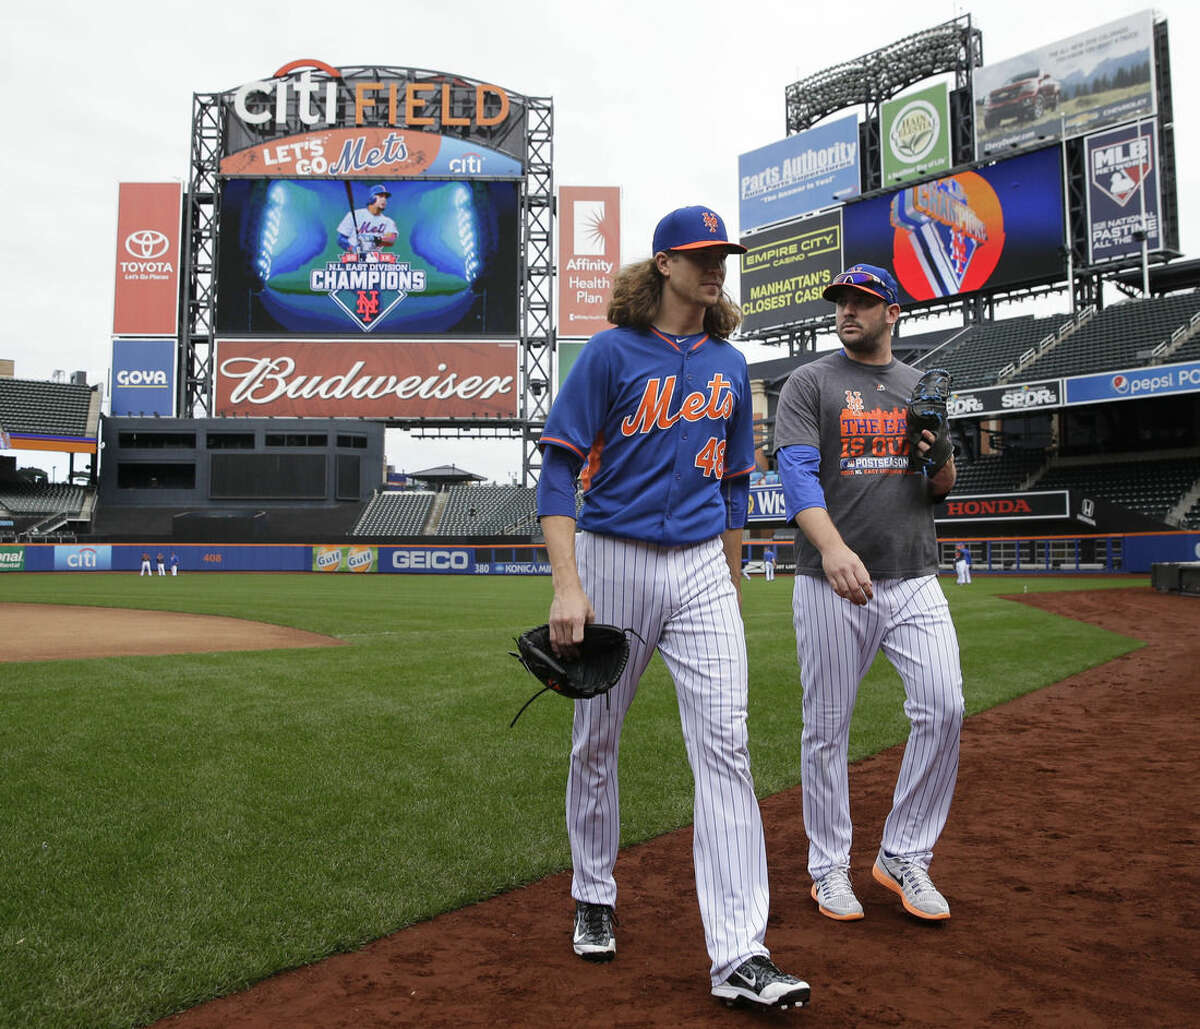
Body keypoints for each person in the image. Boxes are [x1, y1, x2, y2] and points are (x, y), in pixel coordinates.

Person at [536, 205, 809, 1009]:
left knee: (725, 745)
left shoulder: (730, 365)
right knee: (596, 739)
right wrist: (566, 582)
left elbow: (732, 489)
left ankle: (740, 953)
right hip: (611, 557)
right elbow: (559, 474)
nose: (714, 266)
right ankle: (594, 890)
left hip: (698, 568)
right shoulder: (608, 354)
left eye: (721, 254)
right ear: (663, 264)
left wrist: (727, 578)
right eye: (699, 255)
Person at [773, 263, 965, 923]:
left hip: (914, 573)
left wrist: (936, 452)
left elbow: (941, 485)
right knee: (827, 730)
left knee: (944, 706)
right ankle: (829, 868)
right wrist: (831, 547)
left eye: (863, 301)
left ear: (893, 314)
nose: (848, 310)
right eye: (842, 302)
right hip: (832, 581)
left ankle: (905, 854)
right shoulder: (811, 382)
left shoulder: (920, 386)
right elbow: (796, 475)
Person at [336, 185, 398, 258]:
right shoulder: (355, 215)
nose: (384, 199)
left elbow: (391, 240)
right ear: (372, 198)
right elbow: (340, 239)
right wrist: (352, 248)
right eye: (381, 196)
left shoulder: (388, 221)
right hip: (354, 260)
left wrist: (372, 238)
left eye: (385, 197)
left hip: (374, 259)